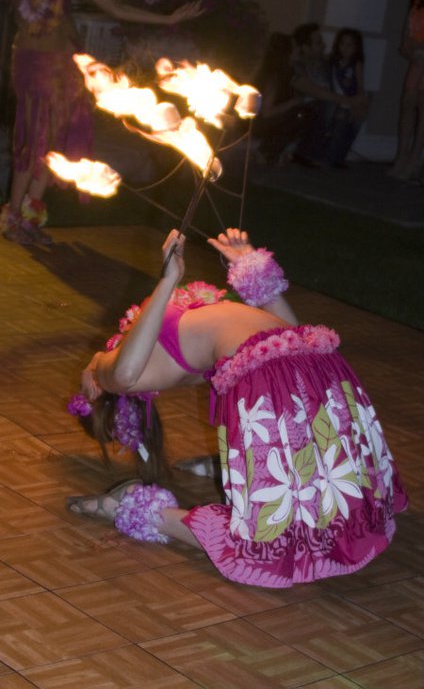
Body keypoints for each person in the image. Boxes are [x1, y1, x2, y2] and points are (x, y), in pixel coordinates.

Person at [66, 226, 408, 589]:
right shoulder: (133, 361)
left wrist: (200, 275)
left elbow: (125, 372)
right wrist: (238, 270)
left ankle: (163, 500)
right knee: (283, 517)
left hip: (295, 365)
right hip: (317, 364)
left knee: (276, 534)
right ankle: (166, 499)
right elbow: (288, 331)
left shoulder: (117, 361)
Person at [0, 0, 203, 245]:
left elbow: (115, 7)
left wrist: (167, 18)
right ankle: (13, 219)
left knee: (53, 141)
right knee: (33, 137)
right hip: (32, 63)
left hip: (65, 63)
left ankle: (30, 215)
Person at [291, 22, 367, 167]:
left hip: (334, 104)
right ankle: (309, 153)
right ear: (306, 48)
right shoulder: (299, 66)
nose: (324, 45)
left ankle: (337, 156)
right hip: (309, 108)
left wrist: (358, 102)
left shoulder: (326, 62)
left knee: (355, 113)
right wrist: (350, 101)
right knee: (332, 107)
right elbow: (316, 92)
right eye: (319, 43)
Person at [253, 32, 312, 166]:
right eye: (295, 47)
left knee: (305, 112)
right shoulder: (274, 77)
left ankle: (273, 152)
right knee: (300, 115)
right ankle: (267, 151)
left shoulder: (287, 73)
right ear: (286, 53)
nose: (299, 50)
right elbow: (267, 113)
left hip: (271, 120)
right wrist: (293, 103)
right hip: (261, 123)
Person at [389, 0, 424, 181]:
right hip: (417, 59)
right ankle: (402, 156)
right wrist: (410, 48)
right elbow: (407, 33)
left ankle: (414, 159)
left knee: (421, 107)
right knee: (408, 105)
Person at [326, 27, 368, 167]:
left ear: (356, 47)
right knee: (338, 130)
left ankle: (340, 157)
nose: (345, 48)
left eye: (350, 45)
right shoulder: (333, 63)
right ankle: (332, 157)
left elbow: (361, 85)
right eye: (342, 44)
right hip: (338, 102)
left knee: (350, 130)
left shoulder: (356, 64)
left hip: (352, 102)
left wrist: (360, 103)